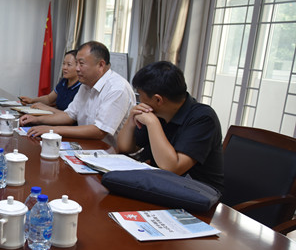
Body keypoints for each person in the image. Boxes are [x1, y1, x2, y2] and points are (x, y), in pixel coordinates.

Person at [116, 61, 224, 192]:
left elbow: (173, 168)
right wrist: (131, 119)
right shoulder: (157, 112)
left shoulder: (203, 118)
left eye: (140, 95)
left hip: (196, 193)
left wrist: (153, 123)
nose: (140, 101)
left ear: (158, 100)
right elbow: (125, 148)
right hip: (160, 184)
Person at [19, 41, 136, 145]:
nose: (77, 69)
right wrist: (37, 120)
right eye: (76, 63)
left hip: (110, 152)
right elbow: (69, 115)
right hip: (86, 145)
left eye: (81, 63)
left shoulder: (117, 88)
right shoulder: (86, 84)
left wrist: (52, 130)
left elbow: (99, 131)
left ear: (101, 65)